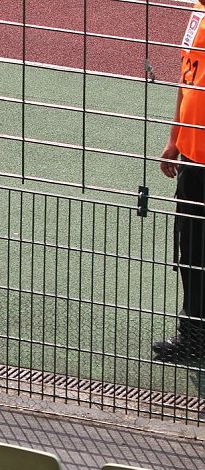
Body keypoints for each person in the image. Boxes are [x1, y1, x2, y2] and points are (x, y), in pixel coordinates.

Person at [153, 3, 205, 363]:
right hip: (193, 157)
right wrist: (175, 138)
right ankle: (194, 336)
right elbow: (186, 78)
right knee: (192, 253)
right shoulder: (198, 11)